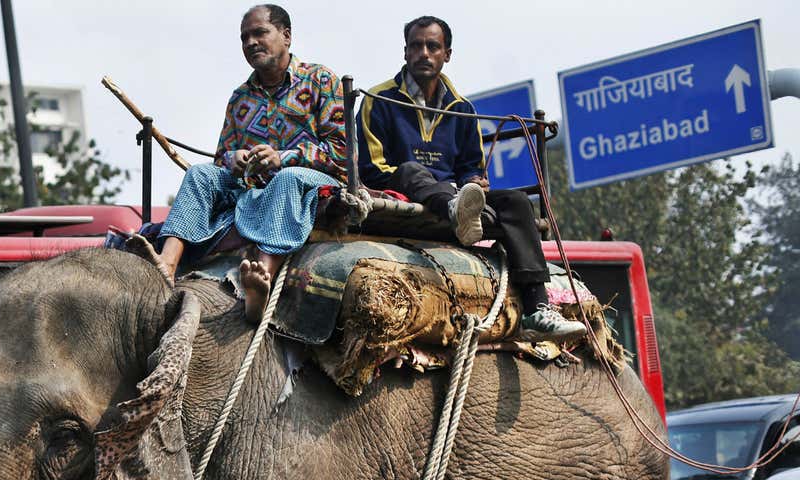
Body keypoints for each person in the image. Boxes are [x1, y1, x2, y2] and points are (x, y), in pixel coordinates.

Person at [357, 15, 586, 342]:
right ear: (405, 53)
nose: (424, 52)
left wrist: (475, 182)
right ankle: (456, 209)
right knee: (411, 169)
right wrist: (447, 193)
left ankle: (537, 308)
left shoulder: (462, 109)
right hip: (401, 188)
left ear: (446, 54)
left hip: (458, 196)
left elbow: (470, 166)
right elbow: (371, 168)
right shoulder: (378, 100)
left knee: (517, 202)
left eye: (432, 46)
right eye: (416, 46)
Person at [155, 4, 347, 320]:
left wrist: (284, 158)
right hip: (254, 186)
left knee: (288, 177)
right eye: (244, 37)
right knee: (201, 174)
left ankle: (262, 278)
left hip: (311, 183)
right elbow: (221, 158)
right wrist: (236, 159)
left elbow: (341, 152)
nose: (251, 43)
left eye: (260, 33)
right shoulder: (240, 97)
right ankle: (168, 263)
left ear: (286, 36)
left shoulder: (321, 80)